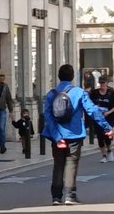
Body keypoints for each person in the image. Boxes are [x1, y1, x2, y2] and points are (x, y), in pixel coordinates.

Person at [43, 63, 114, 206]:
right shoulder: (79, 92)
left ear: (58, 76)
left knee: (58, 164)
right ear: (73, 76)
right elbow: (92, 111)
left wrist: (57, 137)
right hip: (74, 134)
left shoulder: (51, 94)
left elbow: (48, 116)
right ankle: (70, 195)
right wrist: (107, 128)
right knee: (71, 164)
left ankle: (56, 197)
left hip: (58, 135)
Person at [89, 75, 114, 162]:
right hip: (98, 118)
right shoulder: (94, 93)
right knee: (100, 136)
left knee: (107, 136)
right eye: (101, 83)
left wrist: (108, 112)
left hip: (109, 117)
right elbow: (90, 104)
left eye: (104, 83)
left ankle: (110, 151)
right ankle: (104, 155)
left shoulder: (111, 93)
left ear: (107, 83)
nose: (102, 85)